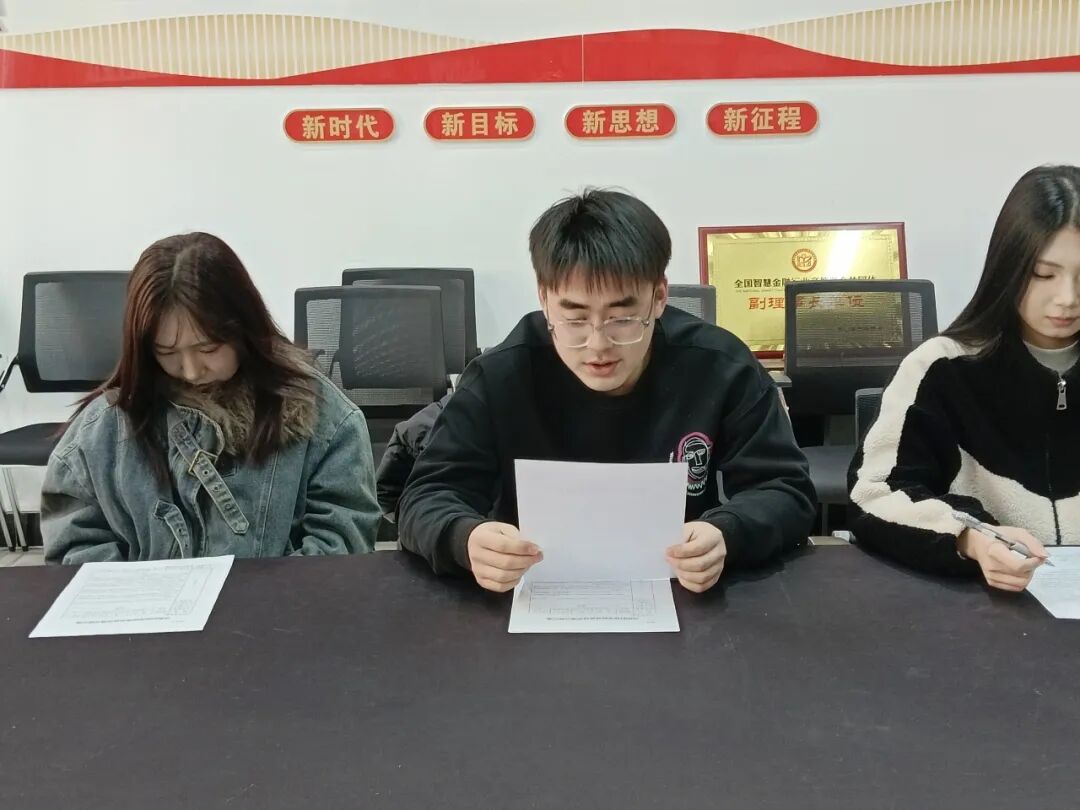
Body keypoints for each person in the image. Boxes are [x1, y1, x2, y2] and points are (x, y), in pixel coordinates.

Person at [398, 189, 816, 592]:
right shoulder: (500, 375)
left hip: (680, 589)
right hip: (532, 590)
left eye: (622, 318)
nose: (598, 344)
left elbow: (786, 489)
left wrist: (726, 533)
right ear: (544, 299)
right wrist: (465, 538)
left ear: (659, 297)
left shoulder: (720, 366)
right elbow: (426, 496)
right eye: (575, 319)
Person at [41, 232, 381, 563]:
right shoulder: (105, 428)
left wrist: (266, 595)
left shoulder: (324, 419)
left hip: (276, 603)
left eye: (208, 349)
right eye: (167, 352)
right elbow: (75, 543)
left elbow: (340, 546)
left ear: (244, 329)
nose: (190, 371)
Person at [849, 165, 1080, 591]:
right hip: (984, 603)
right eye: (1043, 274)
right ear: (1009, 266)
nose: (1068, 298)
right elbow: (875, 493)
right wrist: (970, 539)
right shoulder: (941, 368)